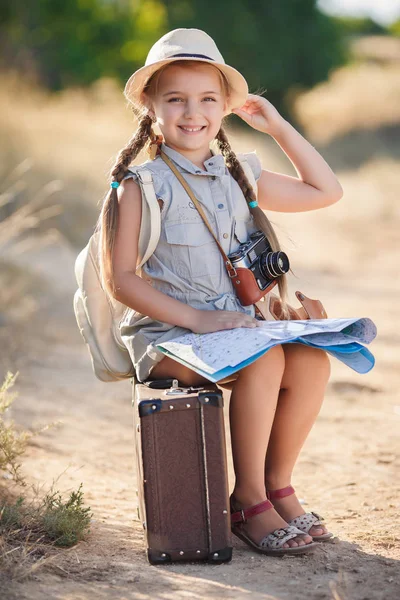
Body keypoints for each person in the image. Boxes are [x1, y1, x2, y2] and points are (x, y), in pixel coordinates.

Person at [98, 29, 343, 556]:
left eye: (209, 98)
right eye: (176, 99)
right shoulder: (141, 184)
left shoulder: (239, 175)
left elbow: (326, 190)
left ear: (226, 107)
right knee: (264, 359)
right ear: (151, 107)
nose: (193, 112)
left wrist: (276, 125)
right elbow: (122, 281)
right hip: (169, 336)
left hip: (235, 331)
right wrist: (198, 319)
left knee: (310, 362)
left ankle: (277, 486)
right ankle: (247, 499)